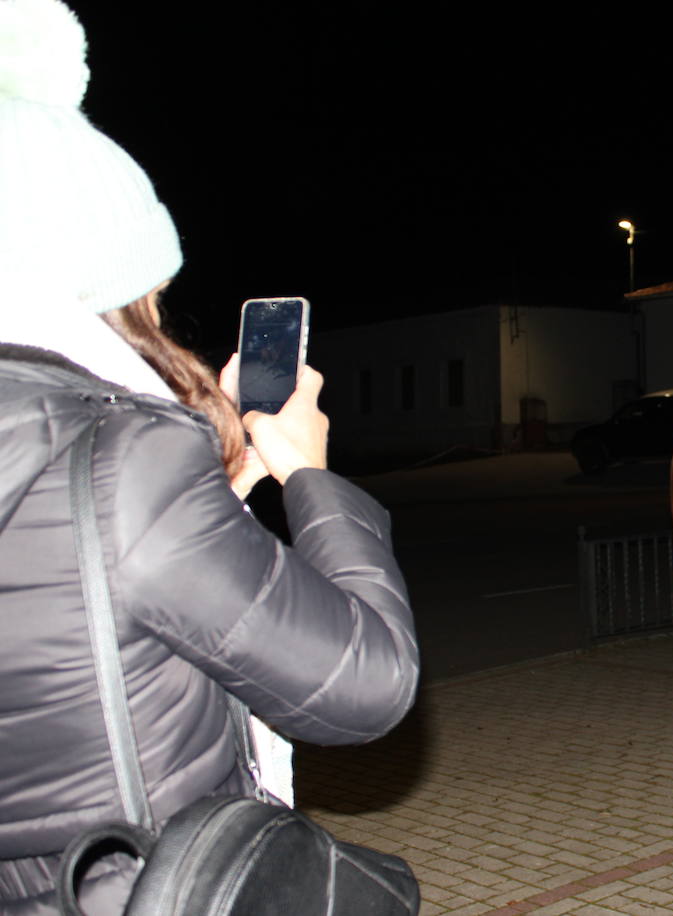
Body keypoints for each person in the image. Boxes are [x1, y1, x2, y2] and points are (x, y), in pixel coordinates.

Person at [0, 2, 419, 912]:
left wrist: (219, 494)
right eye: (150, 290)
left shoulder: (108, 470)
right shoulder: (128, 460)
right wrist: (306, 469)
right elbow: (370, 682)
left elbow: (88, 593)